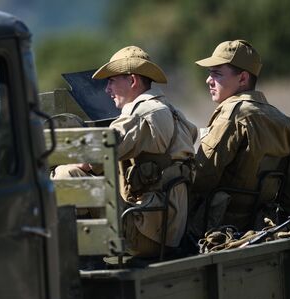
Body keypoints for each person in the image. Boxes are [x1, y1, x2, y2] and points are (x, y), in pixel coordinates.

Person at [53, 46, 198, 258]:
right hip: (168, 231)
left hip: (146, 231)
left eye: (111, 81)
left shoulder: (141, 113)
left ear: (132, 81)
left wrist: (64, 163)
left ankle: (78, 260)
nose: (107, 89)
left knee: (66, 176)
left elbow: (94, 155)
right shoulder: (171, 111)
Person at [190, 39, 290, 235]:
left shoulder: (231, 115)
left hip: (219, 231)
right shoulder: (285, 122)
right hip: (261, 229)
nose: (208, 80)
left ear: (243, 79)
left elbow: (201, 177)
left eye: (217, 74)